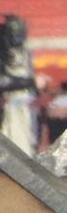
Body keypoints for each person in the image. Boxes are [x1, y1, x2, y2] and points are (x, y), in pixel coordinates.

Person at [0, 15, 40, 154]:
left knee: (27, 136)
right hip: (8, 103)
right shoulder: (3, 50)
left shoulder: (25, 50)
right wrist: (28, 82)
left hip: (26, 102)